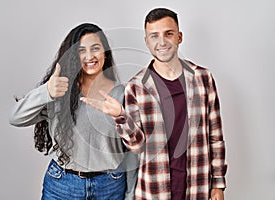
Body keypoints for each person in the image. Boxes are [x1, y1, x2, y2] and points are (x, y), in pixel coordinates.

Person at [81, 8, 227, 200]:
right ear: (147, 41)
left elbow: (215, 136)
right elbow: (137, 147)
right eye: (154, 36)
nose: (162, 42)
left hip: (197, 186)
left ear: (179, 37)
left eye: (168, 33)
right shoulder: (136, 86)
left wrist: (218, 183)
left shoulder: (203, 78)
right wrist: (120, 117)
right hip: (154, 189)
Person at [9, 23, 137, 200]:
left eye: (95, 48)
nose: (89, 56)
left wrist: (130, 193)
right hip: (62, 185)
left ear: (105, 52)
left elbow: (131, 150)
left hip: (110, 186)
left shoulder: (122, 94)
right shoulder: (58, 92)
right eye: (81, 50)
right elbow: (16, 118)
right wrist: (46, 92)